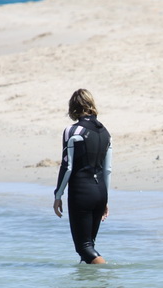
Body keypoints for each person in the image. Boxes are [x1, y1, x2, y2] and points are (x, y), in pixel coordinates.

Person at [53, 89, 112, 264]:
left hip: (82, 192)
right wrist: (105, 199)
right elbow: (107, 169)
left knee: (84, 247)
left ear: (73, 108)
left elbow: (67, 166)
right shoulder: (105, 132)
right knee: (88, 249)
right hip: (100, 191)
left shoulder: (72, 131)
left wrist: (58, 195)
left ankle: (107, 274)